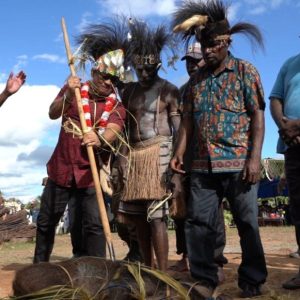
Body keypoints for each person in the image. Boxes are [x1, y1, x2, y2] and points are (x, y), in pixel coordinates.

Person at [171, 0, 267, 298]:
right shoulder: (195, 82)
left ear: (227, 42)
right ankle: (204, 280)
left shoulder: (244, 71)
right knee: (198, 223)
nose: (208, 50)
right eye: (205, 45)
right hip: (201, 166)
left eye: (213, 45)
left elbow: (258, 117)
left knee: (247, 223)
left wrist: (254, 159)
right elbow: (187, 121)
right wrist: (178, 152)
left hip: (239, 164)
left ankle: (252, 279)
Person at [33, 21, 128, 263]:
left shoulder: (116, 106)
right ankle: (39, 267)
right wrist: (67, 93)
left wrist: (99, 138)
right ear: (95, 72)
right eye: (105, 76)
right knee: (46, 222)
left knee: (94, 225)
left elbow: (114, 130)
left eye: (114, 80)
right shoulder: (74, 89)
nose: (109, 82)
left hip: (90, 173)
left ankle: (97, 271)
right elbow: (52, 113)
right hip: (61, 169)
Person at [115, 19, 181, 271]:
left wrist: (176, 163)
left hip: (160, 152)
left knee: (156, 217)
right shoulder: (128, 92)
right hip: (133, 155)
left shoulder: (169, 91)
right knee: (137, 219)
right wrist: (121, 157)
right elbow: (123, 128)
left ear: (158, 66)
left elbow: (178, 128)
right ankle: (148, 268)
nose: (143, 74)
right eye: (139, 69)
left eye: (148, 69)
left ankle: (162, 273)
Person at [171, 43, 228, 281]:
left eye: (196, 60)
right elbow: (179, 127)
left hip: (210, 158)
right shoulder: (183, 90)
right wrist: (177, 156)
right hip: (185, 158)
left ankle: (216, 258)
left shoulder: (214, 82)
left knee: (211, 211)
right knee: (182, 210)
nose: (192, 65)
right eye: (188, 61)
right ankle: (186, 257)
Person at [270, 50, 300, 289]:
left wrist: (297, 125)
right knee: (298, 209)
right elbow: (275, 99)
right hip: (292, 147)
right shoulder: (289, 63)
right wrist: (284, 127)